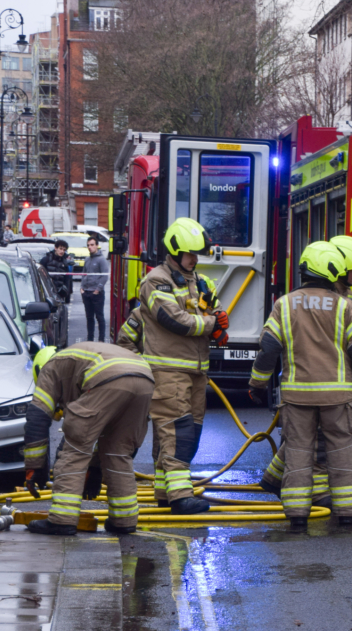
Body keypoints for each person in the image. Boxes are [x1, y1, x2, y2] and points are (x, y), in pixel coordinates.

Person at [249, 241, 352, 528]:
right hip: (337, 397)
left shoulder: (284, 305)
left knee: (298, 451)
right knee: (342, 452)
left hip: (296, 398)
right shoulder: (344, 306)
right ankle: (347, 513)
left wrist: (256, 385)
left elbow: (268, 349)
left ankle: (296, 514)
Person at [139, 218, 228, 514]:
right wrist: (211, 324)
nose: (194, 259)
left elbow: (209, 310)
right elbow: (175, 320)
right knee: (177, 432)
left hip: (196, 370)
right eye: (190, 254)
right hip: (168, 371)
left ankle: (165, 491)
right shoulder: (156, 280)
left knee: (187, 432)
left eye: (196, 254)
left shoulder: (197, 282)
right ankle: (179, 496)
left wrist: (219, 322)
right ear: (175, 251)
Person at [23, 343, 155, 535]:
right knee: (119, 452)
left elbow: (37, 417)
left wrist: (35, 467)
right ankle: (123, 521)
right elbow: (98, 429)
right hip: (145, 379)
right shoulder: (82, 360)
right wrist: (95, 468)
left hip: (109, 377)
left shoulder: (49, 368)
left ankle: (62, 520)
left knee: (74, 451)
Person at [81, 237, 110, 342]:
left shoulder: (101, 259)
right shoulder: (87, 259)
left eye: (92, 244)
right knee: (89, 318)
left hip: (97, 294)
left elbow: (105, 276)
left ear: (97, 245)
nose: (90, 247)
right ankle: (90, 339)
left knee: (99, 317)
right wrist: (82, 288)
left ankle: (101, 340)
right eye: (88, 245)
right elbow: (84, 274)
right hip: (86, 293)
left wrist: (97, 290)